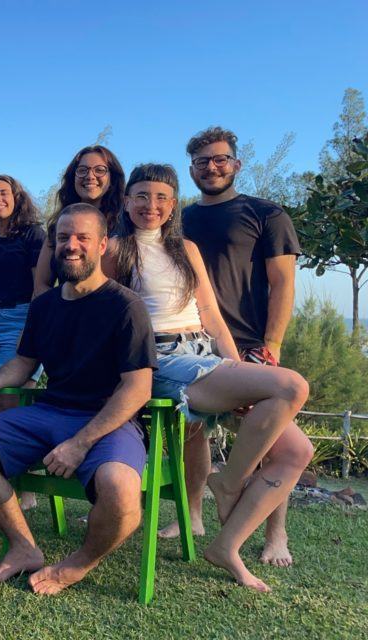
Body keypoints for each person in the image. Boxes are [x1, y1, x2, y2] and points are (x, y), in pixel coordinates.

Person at [105, 163, 312, 592]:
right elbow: (103, 320)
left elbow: (213, 318)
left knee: (296, 451)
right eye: (141, 195)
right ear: (126, 202)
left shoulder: (187, 249)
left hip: (205, 351)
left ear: (172, 204)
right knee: (293, 385)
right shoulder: (116, 250)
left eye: (162, 197)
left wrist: (241, 372)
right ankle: (230, 481)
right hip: (160, 358)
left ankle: (227, 543)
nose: (151, 205)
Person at [0, 203, 158, 595]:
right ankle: (24, 546)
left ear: (102, 245)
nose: (72, 246)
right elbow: (25, 361)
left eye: (82, 237)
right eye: (64, 238)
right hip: (49, 412)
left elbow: (138, 388)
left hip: (106, 419)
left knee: (120, 488)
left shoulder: (125, 306)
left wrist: (81, 444)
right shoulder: (44, 305)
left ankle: (78, 564)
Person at [160, 126, 304, 569]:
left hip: (250, 344)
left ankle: (274, 533)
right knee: (193, 431)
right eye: (203, 161)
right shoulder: (180, 221)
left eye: (221, 159)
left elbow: (282, 284)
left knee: (273, 442)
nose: (212, 167)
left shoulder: (266, 214)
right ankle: (195, 514)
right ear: (192, 169)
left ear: (236, 164)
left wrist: (271, 345)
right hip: (196, 345)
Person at [0, 174, 45, 384]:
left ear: (17, 198)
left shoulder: (32, 234)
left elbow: (40, 287)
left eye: (3, 193)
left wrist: (30, 330)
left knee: (8, 397)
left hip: (19, 320)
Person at [33, 145, 126, 294]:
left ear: (112, 179)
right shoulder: (58, 226)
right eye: (83, 170)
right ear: (73, 178)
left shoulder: (127, 225)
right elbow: (41, 285)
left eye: (99, 170)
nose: (90, 176)